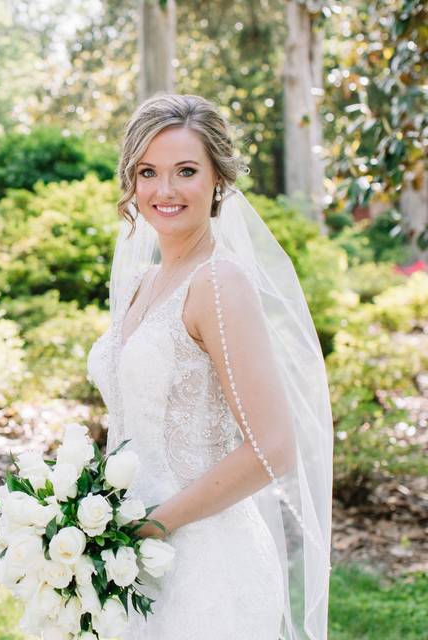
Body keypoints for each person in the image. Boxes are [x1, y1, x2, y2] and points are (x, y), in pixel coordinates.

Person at [86, 93, 333, 639]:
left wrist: (152, 527)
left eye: (186, 171)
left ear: (218, 179)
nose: (164, 190)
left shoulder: (219, 283)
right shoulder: (136, 284)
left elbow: (273, 447)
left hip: (204, 569)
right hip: (124, 559)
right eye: (148, 172)